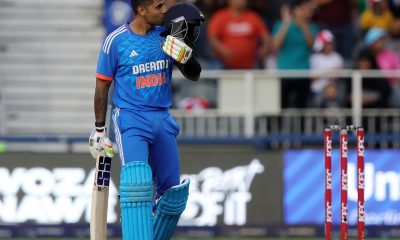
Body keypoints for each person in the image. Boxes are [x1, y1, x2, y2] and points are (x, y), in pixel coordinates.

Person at [89, 1, 205, 240]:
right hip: (131, 119)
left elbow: (194, 74)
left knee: (173, 196)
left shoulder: (165, 35)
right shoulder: (116, 40)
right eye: (159, 6)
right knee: (137, 184)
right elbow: (102, 86)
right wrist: (100, 129)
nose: (165, 10)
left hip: (162, 118)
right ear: (141, 10)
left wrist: (183, 54)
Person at [272, 0, 318, 108]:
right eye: (301, 8)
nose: (305, 11)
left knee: (301, 107)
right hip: (284, 71)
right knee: (280, 106)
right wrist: (286, 23)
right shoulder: (280, 24)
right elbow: (276, 45)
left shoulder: (312, 27)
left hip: (303, 71)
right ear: (294, 11)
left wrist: (304, 26)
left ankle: (301, 126)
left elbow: (312, 45)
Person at [207, 0, 270, 69]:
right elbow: (212, 39)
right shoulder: (220, 16)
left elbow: (265, 36)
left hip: (250, 64)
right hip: (224, 63)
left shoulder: (254, 17)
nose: (241, 2)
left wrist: (264, 48)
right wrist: (223, 50)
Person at [310, 29, 345, 108]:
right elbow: (312, 77)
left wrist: (323, 74)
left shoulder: (337, 57)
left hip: (334, 90)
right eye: (327, 43)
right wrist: (328, 73)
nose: (329, 46)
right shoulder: (314, 58)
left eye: (330, 43)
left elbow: (339, 74)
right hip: (318, 90)